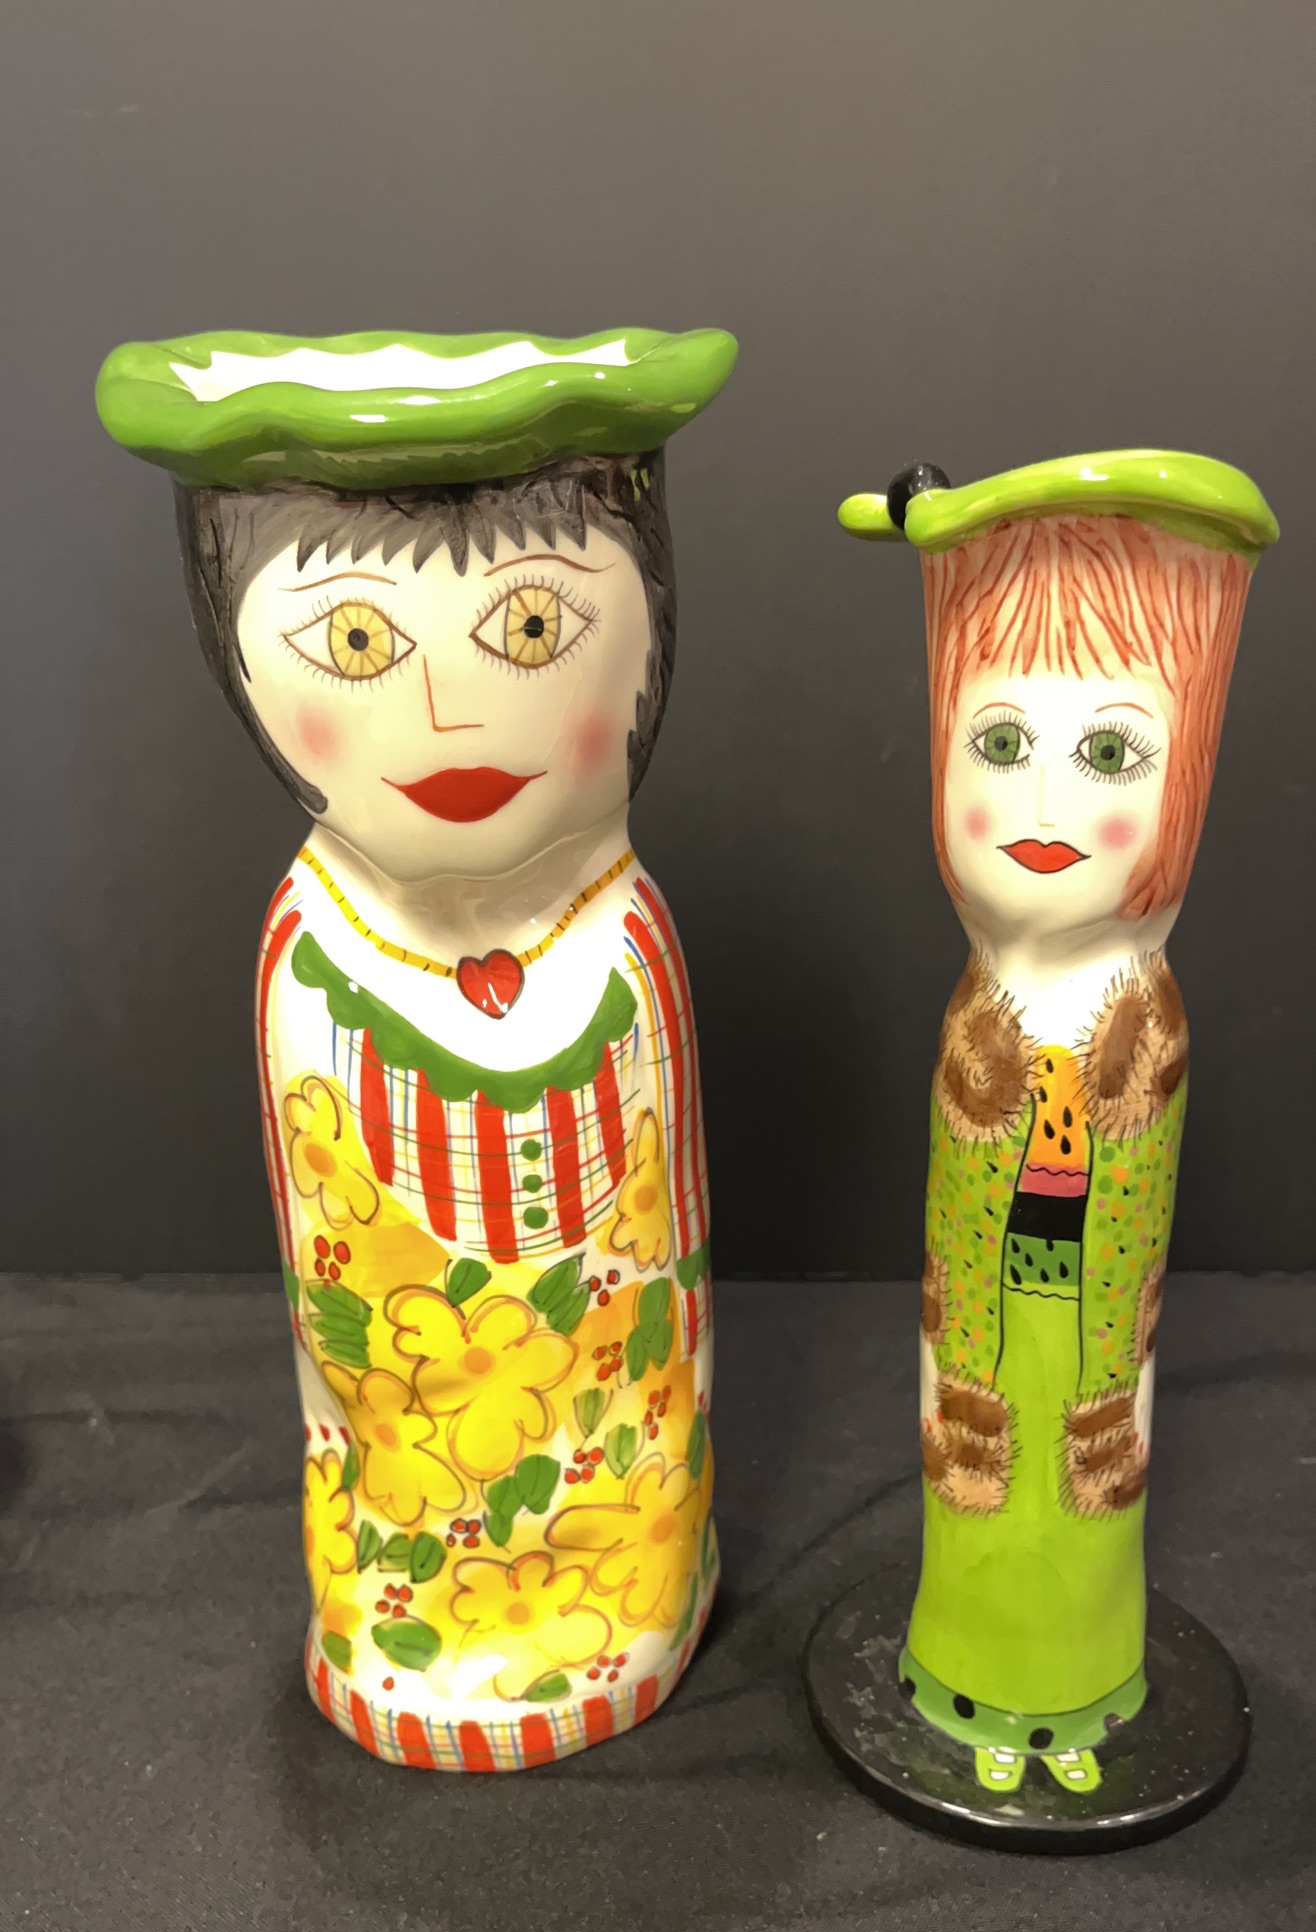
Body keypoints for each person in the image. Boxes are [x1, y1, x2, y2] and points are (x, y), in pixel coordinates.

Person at [98, 328, 736, 1769]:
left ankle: (656, 1586)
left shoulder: (626, 937)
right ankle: (409, 1624)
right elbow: (322, 1298)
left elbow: (675, 1265)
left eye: (531, 629)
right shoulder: (314, 957)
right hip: (407, 1487)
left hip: (618, 1490)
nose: (452, 715)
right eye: (359, 644)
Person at [840, 454, 1277, 1794]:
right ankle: (964, 1683)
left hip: (1090, 1335)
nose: (1041, 810)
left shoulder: (1146, 1025)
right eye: (999, 745)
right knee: (973, 1479)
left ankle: (1076, 1701)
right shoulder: (981, 1017)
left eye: (1107, 754)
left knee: (1086, 1497)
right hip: (986, 1322)